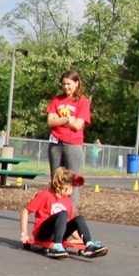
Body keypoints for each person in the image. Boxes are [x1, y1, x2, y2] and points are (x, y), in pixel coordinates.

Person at [20, 167, 108, 259]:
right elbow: (26, 212)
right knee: (63, 214)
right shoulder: (44, 195)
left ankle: (89, 245)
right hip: (44, 234)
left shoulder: (67, 201)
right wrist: (24, 234)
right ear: (67, 187)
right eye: (73, 188)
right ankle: (58, 247)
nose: (73, 190)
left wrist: (79, 238)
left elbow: (70, 222)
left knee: (79, 218)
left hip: (59, 235)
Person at [46, 69, 92, 208]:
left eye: (69, 84)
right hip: (56, 144)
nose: (66, 87)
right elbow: (50, 122)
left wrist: (59, 119)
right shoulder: (56, 100)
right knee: (56, 179)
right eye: (63, 84)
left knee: (73, 180)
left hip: (73, 145)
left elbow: (78, 125)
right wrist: (67, 119)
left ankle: (70, 213)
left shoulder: (83, 102)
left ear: (76, 84)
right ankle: (55, 209)